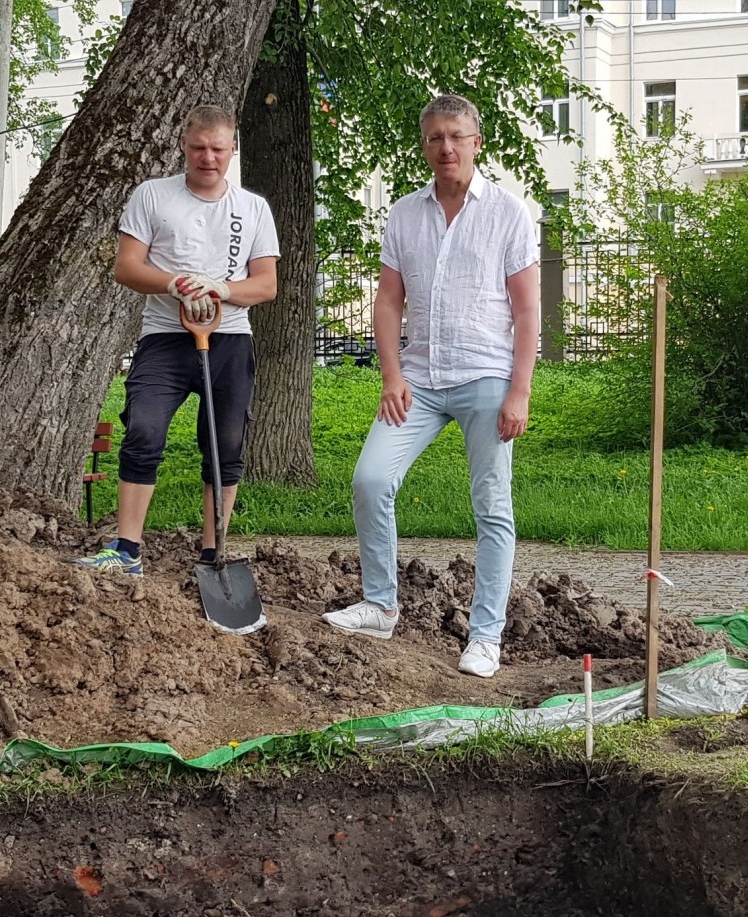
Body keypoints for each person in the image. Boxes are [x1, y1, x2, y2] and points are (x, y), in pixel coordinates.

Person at [321, 94, 540, 678]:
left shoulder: (508, 214)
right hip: (417, 379)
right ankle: (380, 603)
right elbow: (389, 299)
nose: (447, 147)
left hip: (486, 376)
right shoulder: (404, 214)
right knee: (370, 478)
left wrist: (519, 390)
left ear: (477, 143)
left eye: (457, 137)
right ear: (425, 146)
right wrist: (391, 375)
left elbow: (526, 310)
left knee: (491, 506)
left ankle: (486, 636)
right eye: (436, 137)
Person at [75, 104, 279, 577]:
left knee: (225, 446)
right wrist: (172, 284)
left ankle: (213, 554)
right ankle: (127, 549)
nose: (208, 157)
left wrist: (223, 289)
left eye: (218, 149)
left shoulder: (252, 208)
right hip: (165, 337)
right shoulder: (152, 196)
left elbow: (266, 285)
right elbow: (127, 267)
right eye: (198, 148)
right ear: (183, 147)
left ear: (232, 150)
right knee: (143, 431)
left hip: (229, 339)